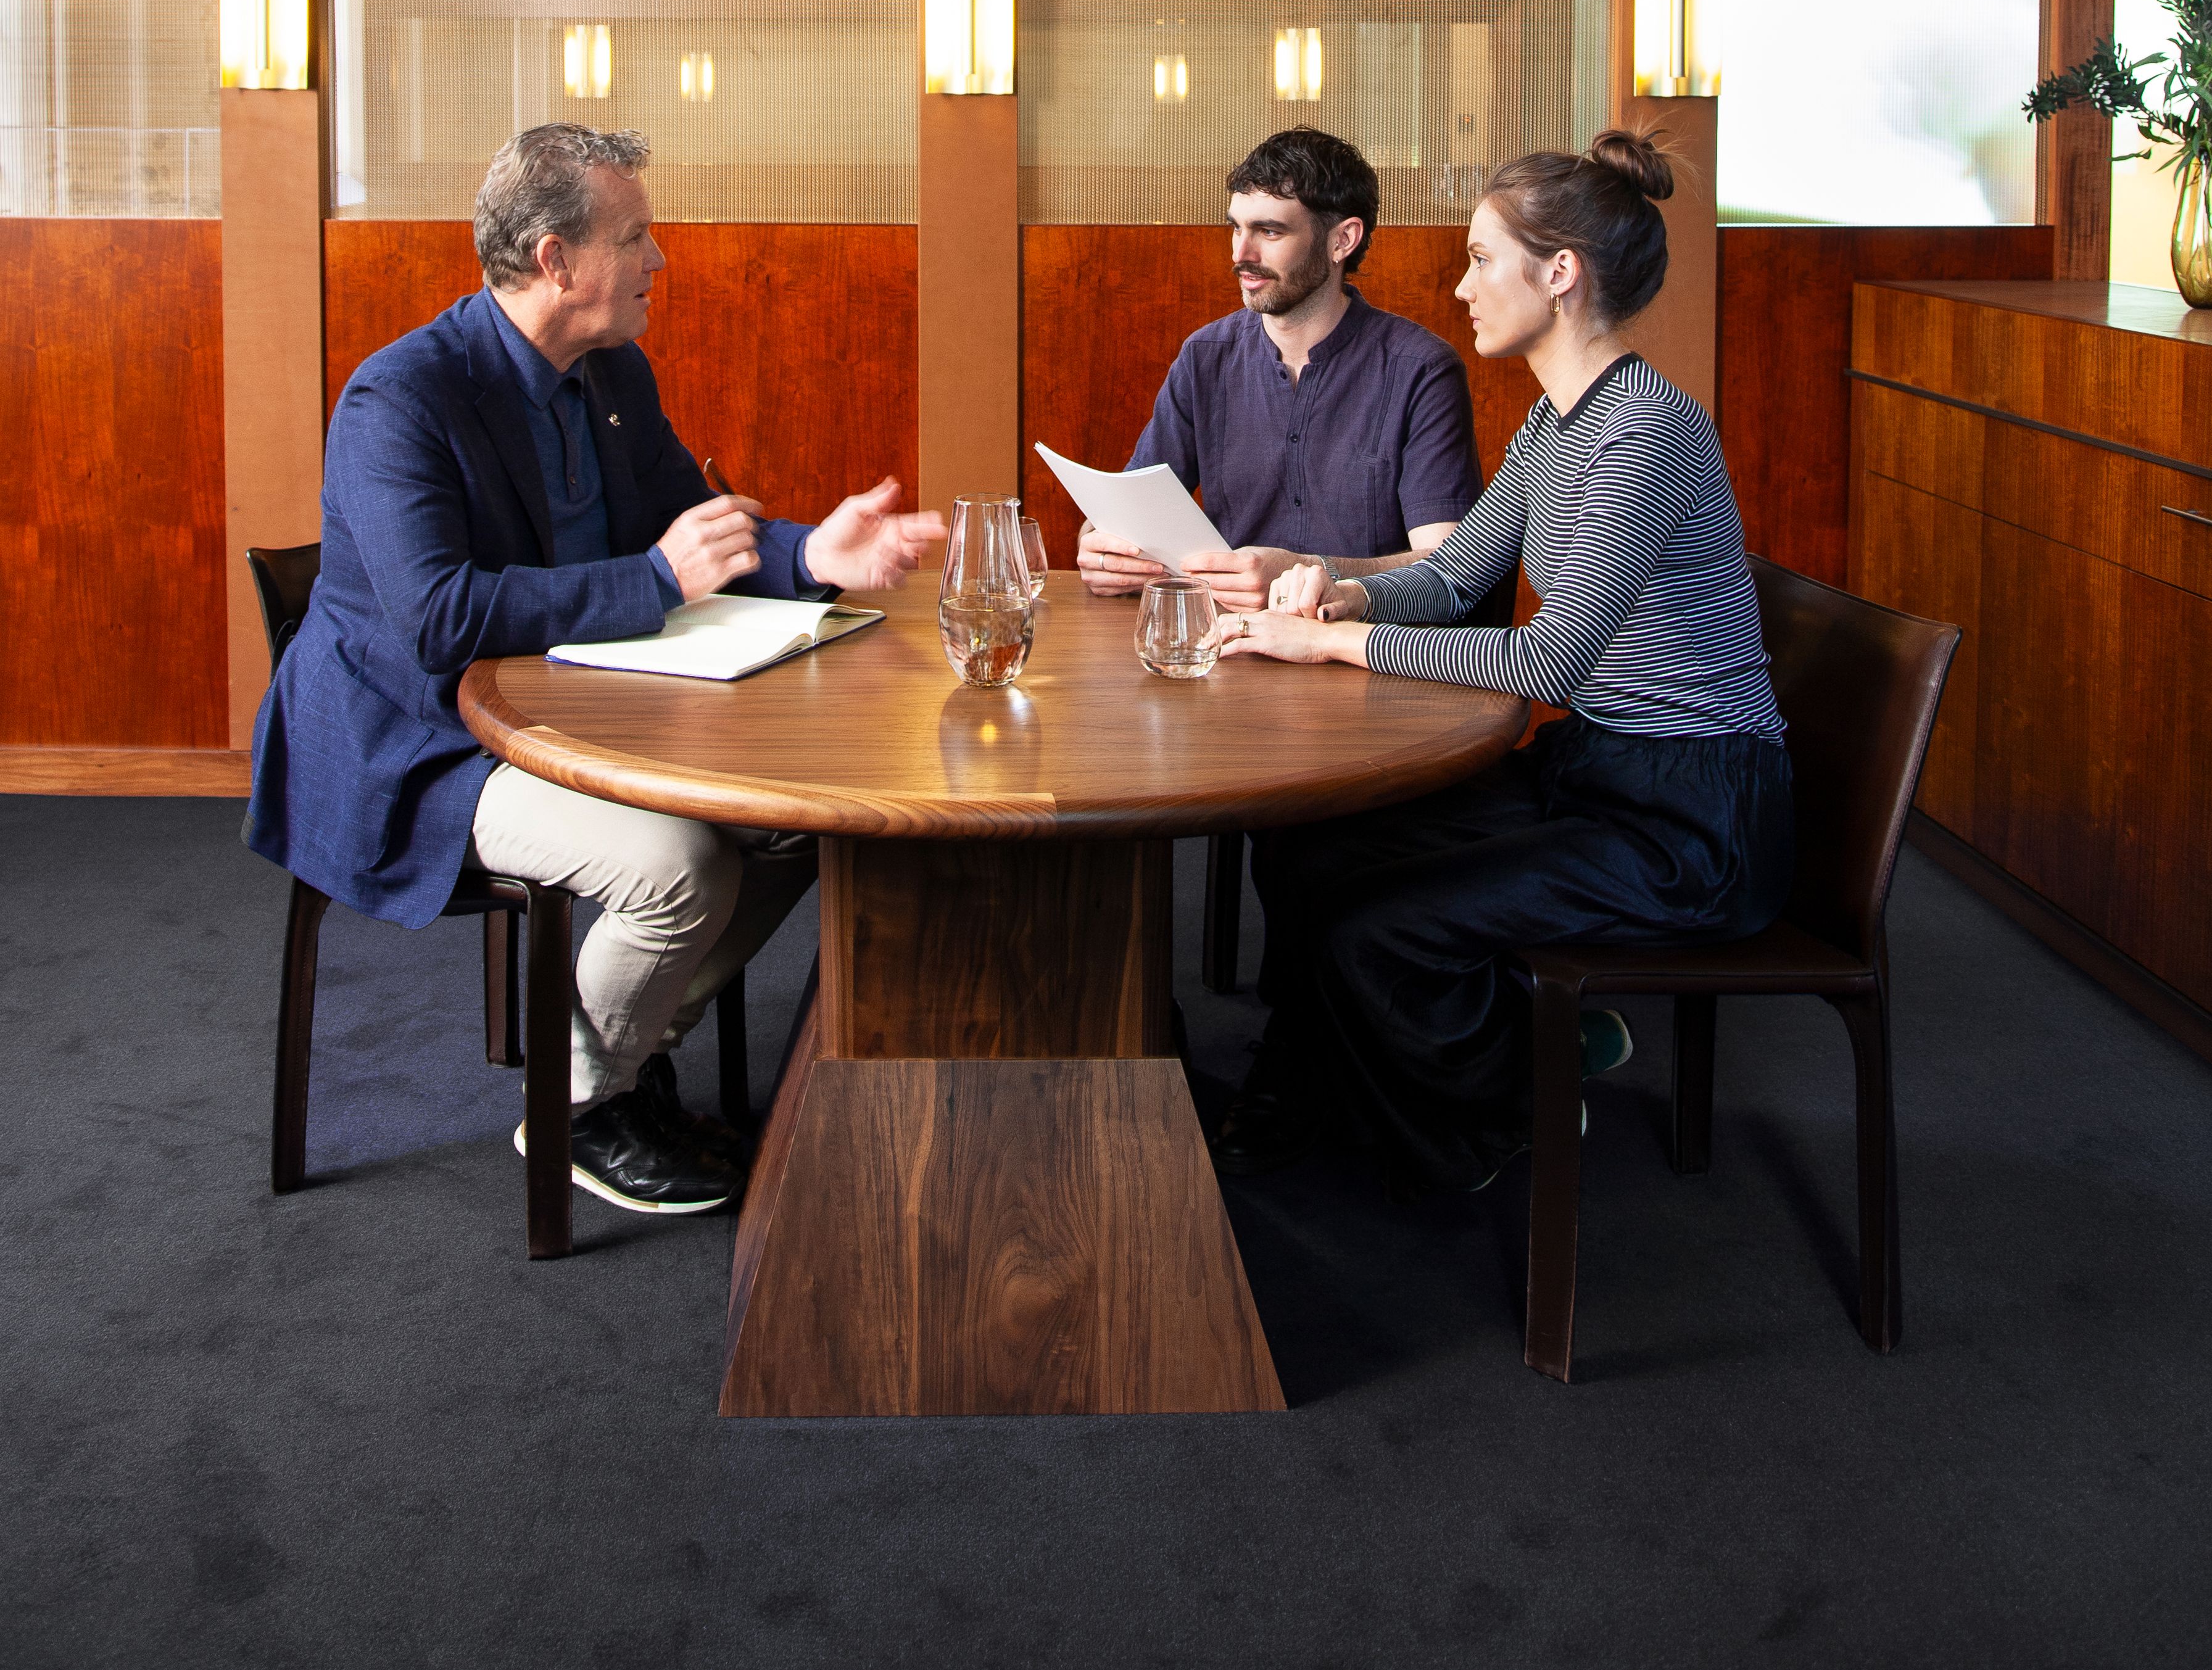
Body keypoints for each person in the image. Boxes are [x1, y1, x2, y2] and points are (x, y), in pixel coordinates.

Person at [244, 123, 942, 1219]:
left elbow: (686, 531)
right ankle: (581, 1103)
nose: (661, 258)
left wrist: (815, 554)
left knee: (801, 827)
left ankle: (612, 1062)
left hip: (580, 708)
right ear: (556, 258)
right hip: (424, 739)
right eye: (637, 235)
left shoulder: (612, 371)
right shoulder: (401, 400)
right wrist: (656, 577)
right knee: (679, 864)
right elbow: (439, 617)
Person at [1206, 128, 1792, 1194]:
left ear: (1559, 273)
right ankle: (1328, 1080)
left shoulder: (1647, 432)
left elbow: (1552, 659)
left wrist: (1327, 639)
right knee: (1311, 851)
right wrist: (1338, 584)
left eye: (1483, 257)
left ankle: (1507, 1101)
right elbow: (1449, 575)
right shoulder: (1555, 421)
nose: (1462, 283)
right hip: (1601, 773)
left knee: (1376, 929)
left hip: (1690, 818)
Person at [1077, 125, 1478, 614]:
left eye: (1269, 231)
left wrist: (1312, 572)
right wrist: (1103, 550)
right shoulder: (1205, 356)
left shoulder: (1420, 370)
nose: (1240, 255)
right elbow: (1127, 518)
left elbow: (1450, 567)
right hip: (1228, 648)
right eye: (1235, 227)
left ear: (1342, 241)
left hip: (1369, 659)